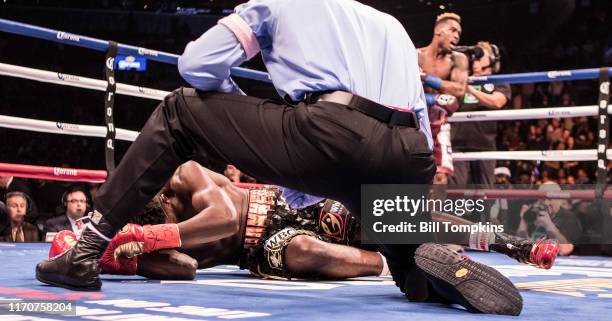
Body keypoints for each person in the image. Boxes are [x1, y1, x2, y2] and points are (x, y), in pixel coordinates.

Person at [37, 0, 520, 315]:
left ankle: (85, 250)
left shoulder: (274, 5)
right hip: (407, 153)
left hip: (328, 135)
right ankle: (428, 271)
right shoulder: (390, 26)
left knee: (180, 110)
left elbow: (196, 66)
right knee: (403, 257)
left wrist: (235, 116)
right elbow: (417, 117)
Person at [49, 161, 557, 281]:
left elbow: (225, 217)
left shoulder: (181, 175)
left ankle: (511, 243)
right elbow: (185, 267)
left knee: (389, 212)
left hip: (283, 205)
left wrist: (152, 236)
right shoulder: (140, 232)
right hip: (264, 249)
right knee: (305, 253)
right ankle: (405, 260)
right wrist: (131, 261)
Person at [418, 12, 469, 185]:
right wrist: (434, 98)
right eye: (453, 30)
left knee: (440, 177)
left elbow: (459, 89)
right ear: (438, 31)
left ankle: (437, 212)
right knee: (412, 171)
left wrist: (426, 78)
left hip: (440, 122)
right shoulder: (416, 55)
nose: (456, 36)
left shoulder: (458, 59)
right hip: (416, 119)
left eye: (459, 33)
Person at [451, 42, 511, 187]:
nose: (475, 61)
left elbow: (497, 102)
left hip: (484, 145)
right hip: (457, 143)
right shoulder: (463, 78)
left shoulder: (498, 81)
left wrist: (471, 90)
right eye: (474, 57)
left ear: (491, 60)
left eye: (480, 57)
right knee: (454, 191)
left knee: (483, 193)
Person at [516, 182, 582, 256]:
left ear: (559, 200)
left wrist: (549, 225)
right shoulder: (534, 214)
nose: (546, 203)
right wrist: (524, 219)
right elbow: (520, 247)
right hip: (534, 260)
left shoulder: (569, 218)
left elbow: (565, 250)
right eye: (542, 199)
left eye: (550, 199)